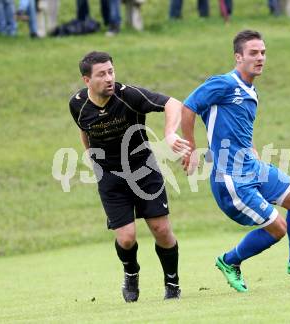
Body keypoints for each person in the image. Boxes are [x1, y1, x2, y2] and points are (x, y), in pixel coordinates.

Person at [181, 30, 290, 292]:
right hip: (230, 177)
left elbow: (240, 129)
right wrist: (190, 148)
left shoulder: (251, 91)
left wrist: (253, 152)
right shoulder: (223, 84)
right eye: (253, 53)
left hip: (252, 167)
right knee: (278, 229)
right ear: (238, 57)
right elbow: (188, 107)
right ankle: (229, 261)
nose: (260, 58)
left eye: (263, 52)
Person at [69, 51, 190, 301]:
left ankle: (172, 283)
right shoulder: (77, 104)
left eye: (111, 71)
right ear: (86, 80)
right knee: (126, 238)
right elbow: (85, 131)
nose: (109, 78)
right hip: (110, 176)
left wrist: (169, 133)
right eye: (101, 74)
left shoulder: (129, 96)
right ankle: (131, 273)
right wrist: (91, 157)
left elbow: (172, 103)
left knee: (161, 229)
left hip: (144, 170)